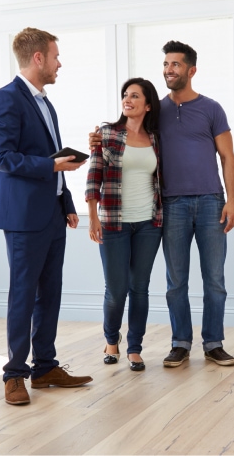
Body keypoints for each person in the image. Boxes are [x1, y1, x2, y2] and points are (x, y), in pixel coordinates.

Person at [89, 40, 234, 368]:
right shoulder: (156, 111)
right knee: (176, 281)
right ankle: (180, 343)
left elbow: (227, 157)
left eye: (176, 64)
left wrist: (231, 200)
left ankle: (213, 342)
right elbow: (126, 133)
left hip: (212, 201)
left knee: (214, 278)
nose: (169, 70)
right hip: (171, 205)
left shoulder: (212, 109)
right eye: (166, 64)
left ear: (191, 70)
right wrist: (98, 137)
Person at [0, 27, 93, 406]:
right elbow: (0, 158)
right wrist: (51, 167)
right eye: (55, 56)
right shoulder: (5, 100)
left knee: (50, 294)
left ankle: (44, 367)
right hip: (24, 217)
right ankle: (14, 374)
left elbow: (52, 160)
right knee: (23, 294)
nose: (59, 62)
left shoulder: (46, 103)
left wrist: (66, 204)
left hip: (52, 214)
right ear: (38, 58)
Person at [85, 78, 163, 372]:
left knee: (139, 288)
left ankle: (134, 348)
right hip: (113, 223)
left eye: (134, 96)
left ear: (148, 104)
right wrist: (93, 217)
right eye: (125, 95)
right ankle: (110, 341)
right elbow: (94, 178)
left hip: (149, 224)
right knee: (116, 290)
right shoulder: (107, 134)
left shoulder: (157, 138)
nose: (127, 100)